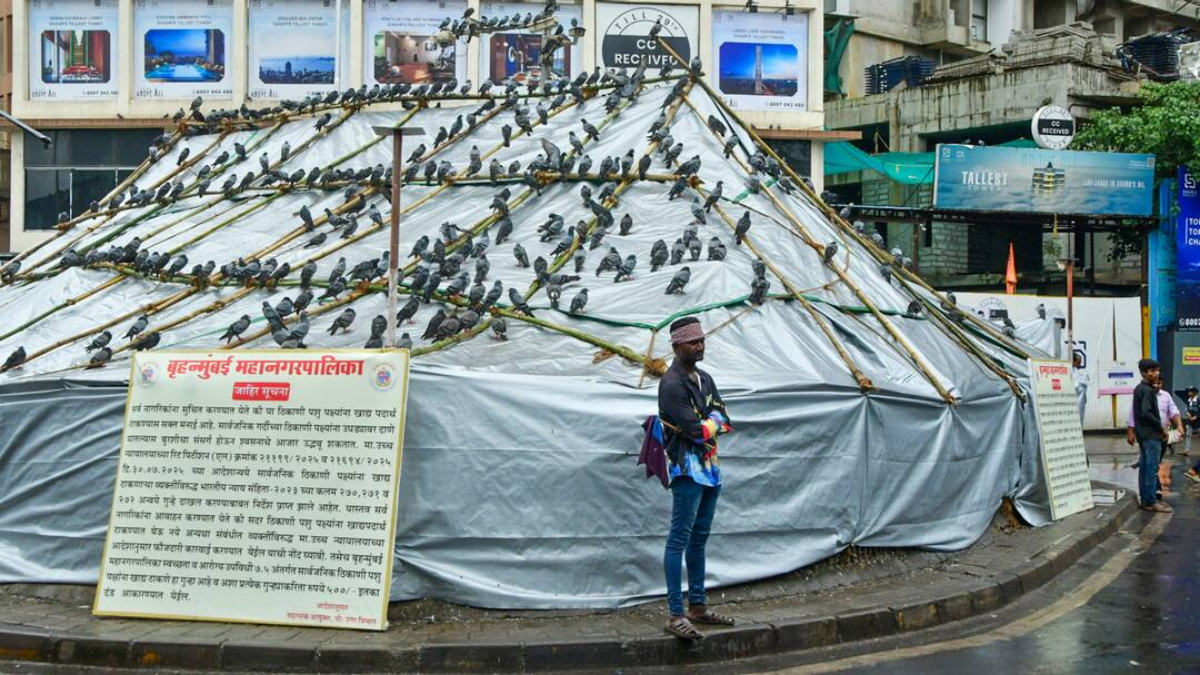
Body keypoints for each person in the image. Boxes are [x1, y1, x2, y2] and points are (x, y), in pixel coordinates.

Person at [657, 317, 734, 640]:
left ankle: (698, 606)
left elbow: (725, 419)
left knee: (699, 536)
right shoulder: (672, 383)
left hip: (710, 469)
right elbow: (696, 431)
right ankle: (676, 613)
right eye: (692, 342)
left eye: (702, 340)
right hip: (687, 469)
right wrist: (710, 421)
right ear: (676, 346)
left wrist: (710, 422)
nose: (699, 346)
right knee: (679, 538)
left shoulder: (704, 378)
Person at [1127, 359, 1171, 512]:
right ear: (1144, 373)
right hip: (1151, 435)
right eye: (1152, 371)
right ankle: (1151, 501)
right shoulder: (1147, 390)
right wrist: (1161, 428)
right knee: (1151, 469)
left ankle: (1146, 500)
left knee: (1145, 468)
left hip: (1143, 434)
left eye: (1156, 370)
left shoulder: (1139, 388)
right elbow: (1146, 413)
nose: (1155, 374)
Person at [1072, 351, 1090, 424]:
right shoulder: (1073, 373)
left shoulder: (1078, 374)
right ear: (1073, 362)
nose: (1079, 365)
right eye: (1078, 363)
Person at [1181, 386, 1199, 457]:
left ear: (1194, 393)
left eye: (1190, 391)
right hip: (1190, 420)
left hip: (1198, 420)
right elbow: (1186, 409)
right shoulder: (1188, 401)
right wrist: (1187, 414)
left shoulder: (1198, 400)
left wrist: (1196, 417)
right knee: (1188, 434)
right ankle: (1187, 451)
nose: (1189, 392)